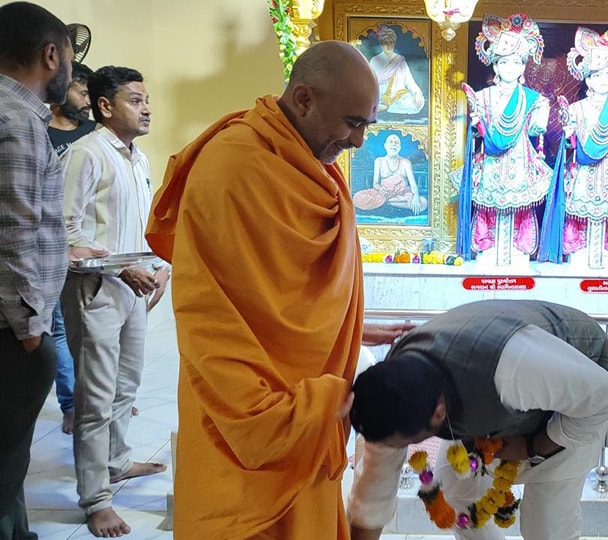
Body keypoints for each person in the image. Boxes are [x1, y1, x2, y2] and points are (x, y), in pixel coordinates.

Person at [144, 41, 412, 540]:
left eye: (367, 126)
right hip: (245, 414)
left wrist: (349, 330)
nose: (358, 142)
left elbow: (290, 294)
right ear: (305, 99)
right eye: (352, 123)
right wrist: (270, 416)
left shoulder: (316, 165)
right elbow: (210, 313)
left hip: (309, 415)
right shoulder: (230, 167)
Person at [348, 300, 608, 540]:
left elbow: (604, 396)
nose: (396, 449)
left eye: (411, 441)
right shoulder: (390, 394)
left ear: (438, 413)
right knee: (457, 492)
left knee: (546, 526)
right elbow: (374, 494)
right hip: (500, 402)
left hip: (579, 395)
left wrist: (533, 446)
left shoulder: (512, 369)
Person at [59, 65, 168, 538]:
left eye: (147, 100)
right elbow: (65, 231)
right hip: (96, 288)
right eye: (135, 100)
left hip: (135, 286)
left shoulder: (137, 158)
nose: (147, 109)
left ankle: (117, 461)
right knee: (95, 398)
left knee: (127, 385)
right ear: (105, 106)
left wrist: (159, 266)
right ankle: (96, 500)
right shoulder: (86, 153)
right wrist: (120, 268)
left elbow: (141, 227)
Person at [0, 4, 72, 539]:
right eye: (68, 56)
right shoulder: (17, 120)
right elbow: (15, 231)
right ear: (50, 54)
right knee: (5, 466)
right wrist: (30, 330)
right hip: (10, 332)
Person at [540, 28, 608, 261]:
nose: (603, 80)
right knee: (580, 213)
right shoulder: (575, 109)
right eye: (597, 75)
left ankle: (606, 252)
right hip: (582, 172)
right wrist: (569, 134)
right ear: (588, 78)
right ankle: (579, 249)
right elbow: (567, 145)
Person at [457, 13, 552, 260]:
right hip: (490, 160)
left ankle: (518, 250)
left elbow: (535, 129)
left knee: (519, 207)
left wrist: (541, 119)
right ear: (495, 66)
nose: (511, 67)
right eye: (505, 62)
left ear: (523, 66)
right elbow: (476, 133)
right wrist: (476, 124)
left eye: (517, 62)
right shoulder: (482, 97)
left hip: (520, 159)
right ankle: (487, 248)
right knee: (489, 206)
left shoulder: (535, 99)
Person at [47, 59, 97, 435]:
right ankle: (71, 405)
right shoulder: (39, 132)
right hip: (52, 245)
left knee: (95, 331)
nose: (87, 100)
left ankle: (97, 398)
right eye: (81, 91)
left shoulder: (94, 134)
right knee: (61, 329)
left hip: (92, 250)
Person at [353, 133, 427, 215]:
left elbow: (413, 185)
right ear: (385, 146)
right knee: (357, 198)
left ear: (400, 147)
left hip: (402, 194)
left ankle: (386, 203)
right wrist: (380, 189)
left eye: (396, 142)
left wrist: (415, 197)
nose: (393, 144)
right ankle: (390, 202)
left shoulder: (406, 162)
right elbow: (375, 184)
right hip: (383, 194)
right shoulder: (379, 161)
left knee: (423, 203)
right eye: (391, 142)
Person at [368, 25, 425, 116]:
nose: (389, 46)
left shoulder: (400, 61)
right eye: (385, 43)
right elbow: (370, 84)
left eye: (391, 42)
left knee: (420, 102)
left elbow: (410, 81)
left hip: (399, 98)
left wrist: (417, 93)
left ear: (394, 43)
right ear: (381, 44)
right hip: (380, 97)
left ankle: (386, 107)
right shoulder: (375, 60)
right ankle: (384, 106)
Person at [48, 61, 95, 155]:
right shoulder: (39, 133)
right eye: (83, 94)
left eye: (91, 96)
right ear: (61, 91)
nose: (89, 102)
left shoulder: (96, 130)